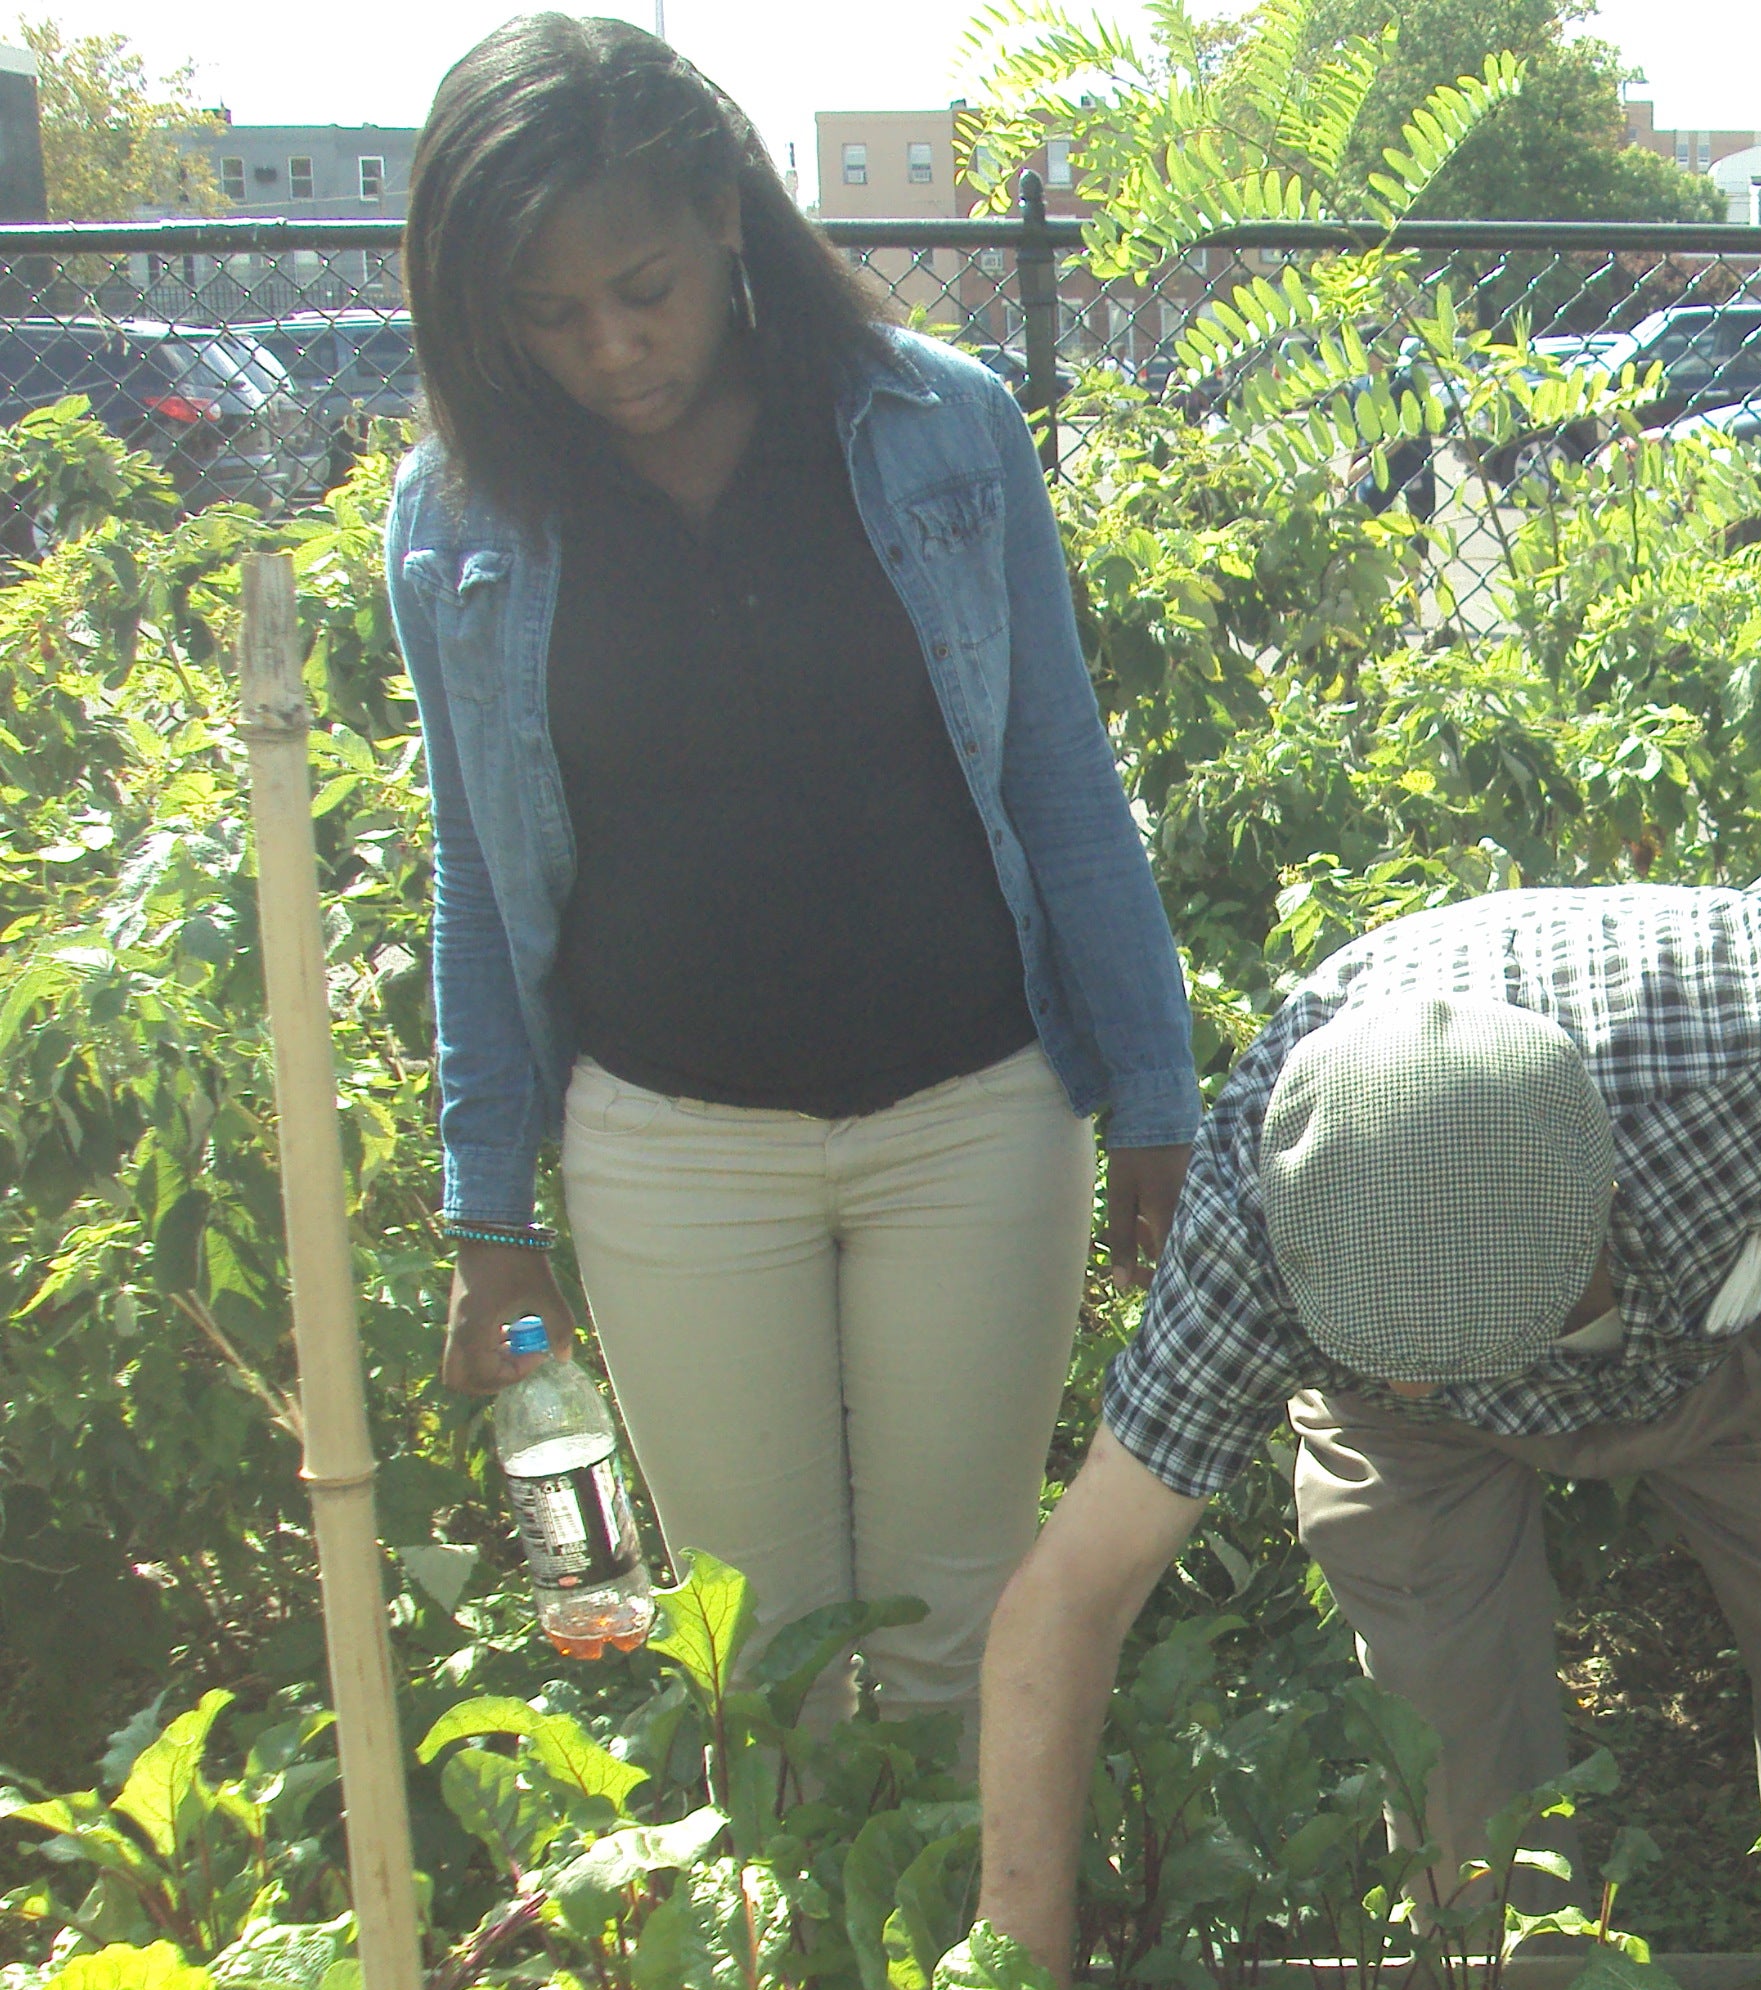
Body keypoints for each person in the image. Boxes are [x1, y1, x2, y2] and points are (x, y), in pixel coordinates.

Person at [973, 812, 1761, 1990]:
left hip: (1737, 1344)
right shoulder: (1259, 1224)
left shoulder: (1726, 1043)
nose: (1409, 1375)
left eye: (1459, 1344)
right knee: (1448, 1735)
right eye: (1383, 1346)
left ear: (1599, 1215)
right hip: (1412, 1454)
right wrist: (1015, 1982)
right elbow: (1074, 1590)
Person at [389, 15, 1198, 1756]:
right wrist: (485, 1217)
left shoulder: (936, 431)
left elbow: (1060, 774)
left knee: (945, 1620)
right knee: (754, 1661)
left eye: (644, 285)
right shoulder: (455, 522)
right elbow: (479, 868)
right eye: (549, 311)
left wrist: (1154, 1095)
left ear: (724, 217)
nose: (611, 347)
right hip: (669, 1146)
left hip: (972, 1120)